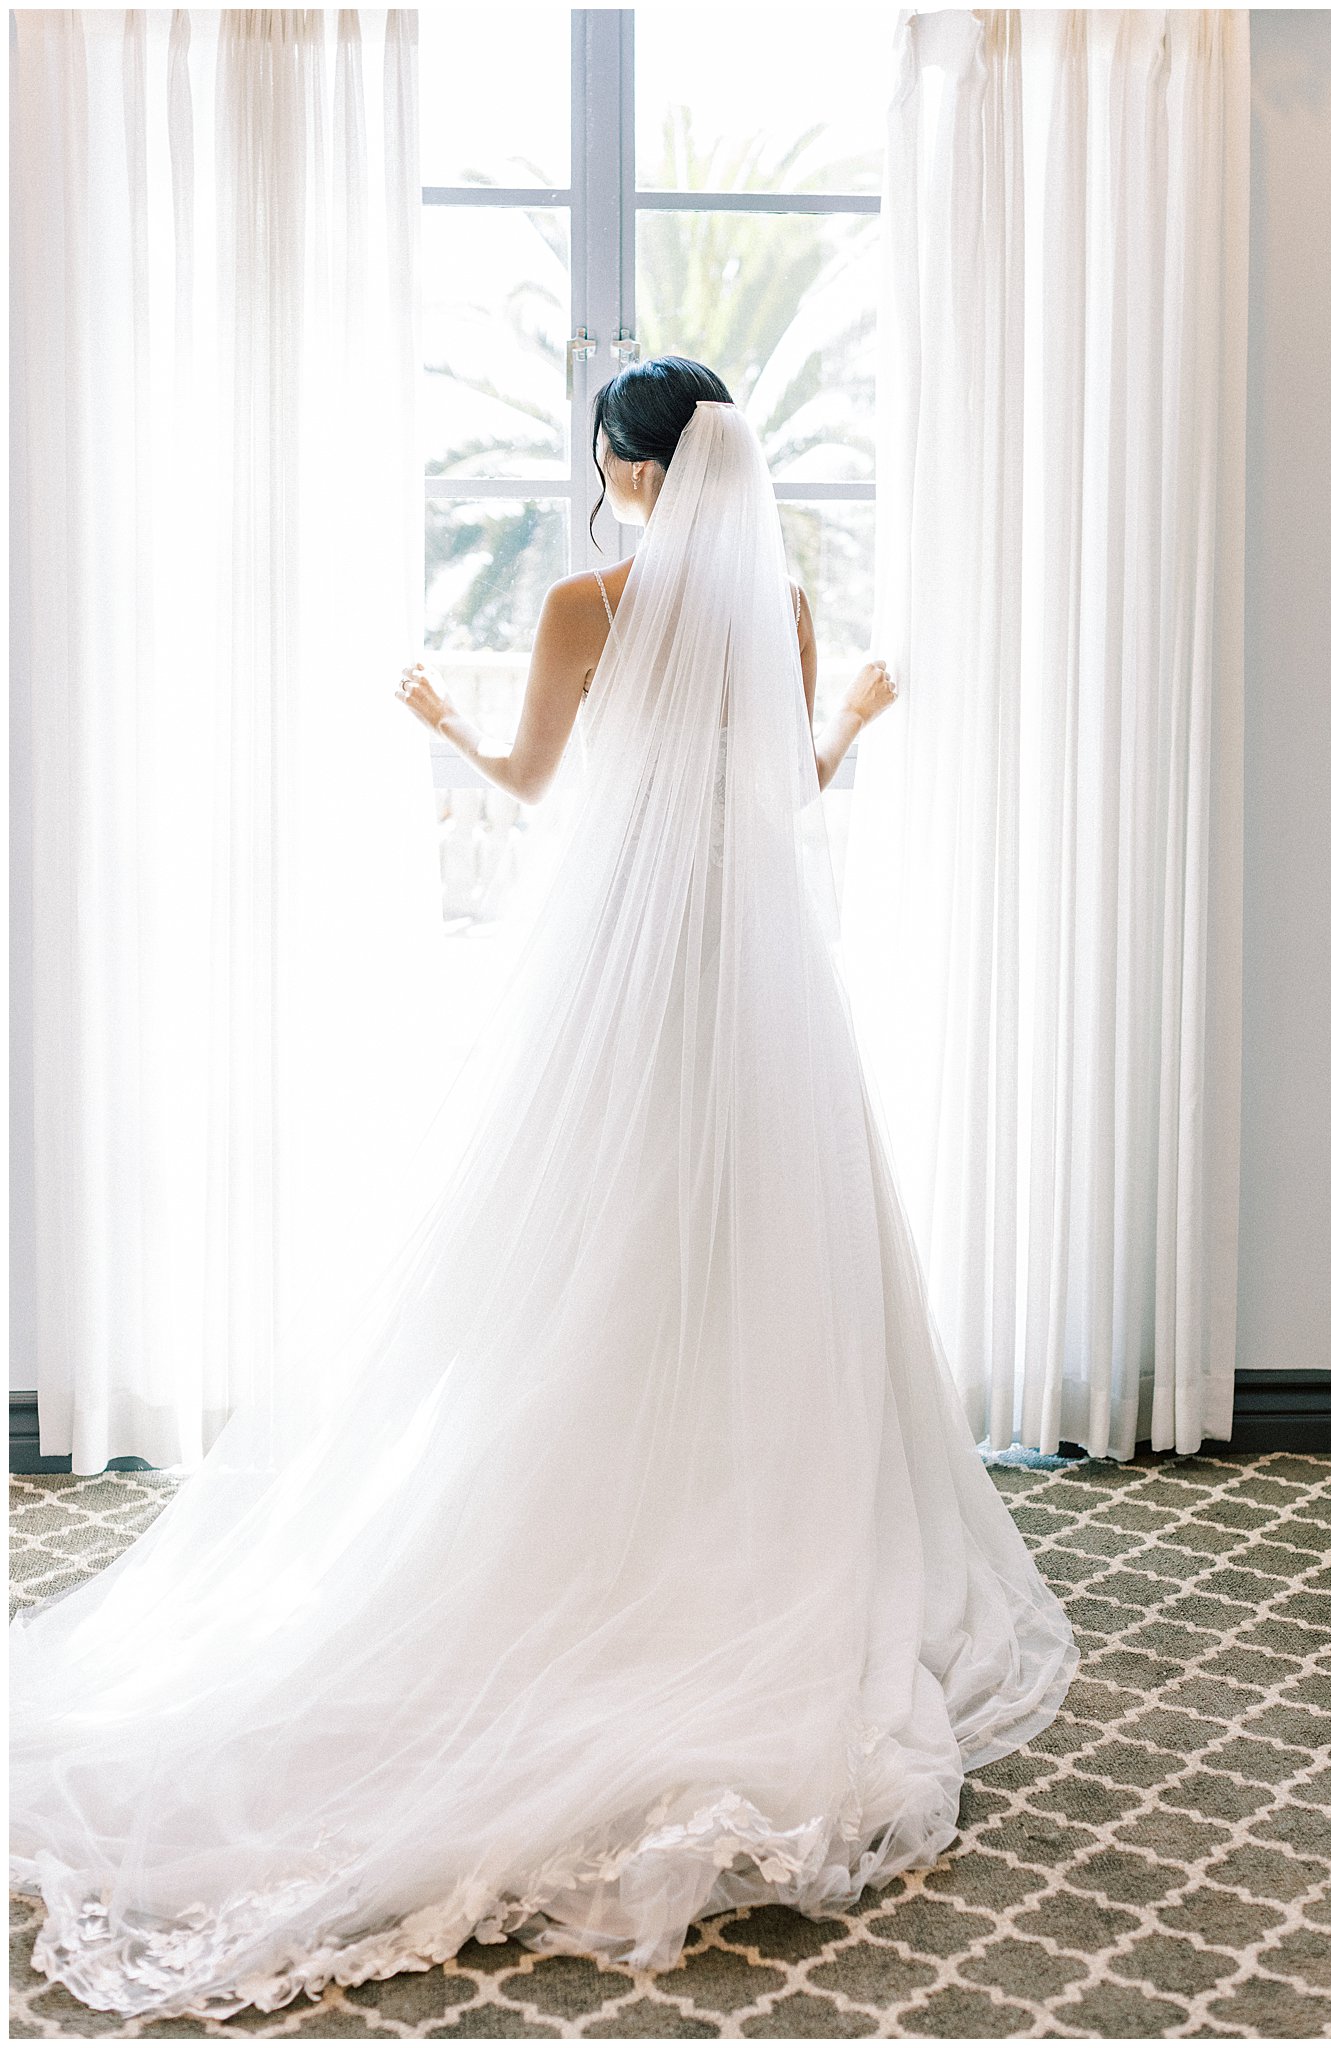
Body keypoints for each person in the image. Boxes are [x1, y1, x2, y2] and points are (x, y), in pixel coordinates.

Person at [10, 357, 1077, 2022]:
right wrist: (858, 712)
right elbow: (789, 793)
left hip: (621, 966)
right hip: (757, 967)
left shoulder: (590, 603)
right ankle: (730, 1502)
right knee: (751, 1246)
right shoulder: (779, 602)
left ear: (620, 466)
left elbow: (533, 790)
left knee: (573, 1239)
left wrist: (437, 720)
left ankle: (582, 1500)